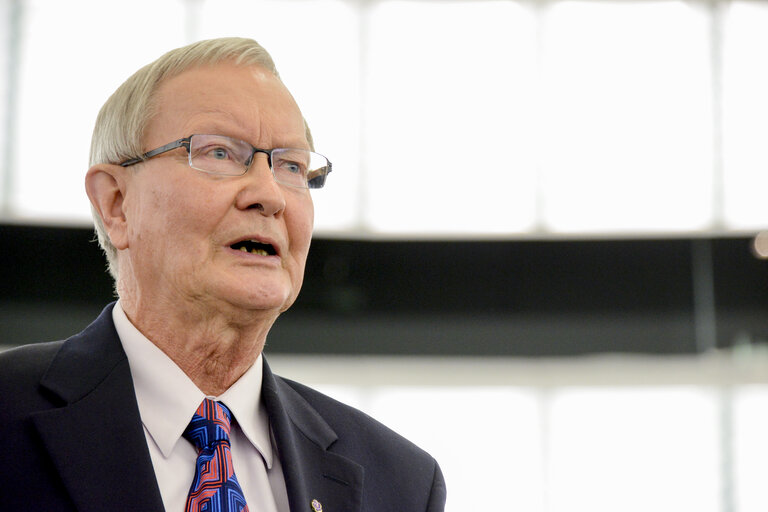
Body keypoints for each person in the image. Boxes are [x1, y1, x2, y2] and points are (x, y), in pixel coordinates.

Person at [0, 37, 446, 511]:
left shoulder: (400, 482)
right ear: (116, 204)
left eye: (291, 165)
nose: (269, 194)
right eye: (219, 153)